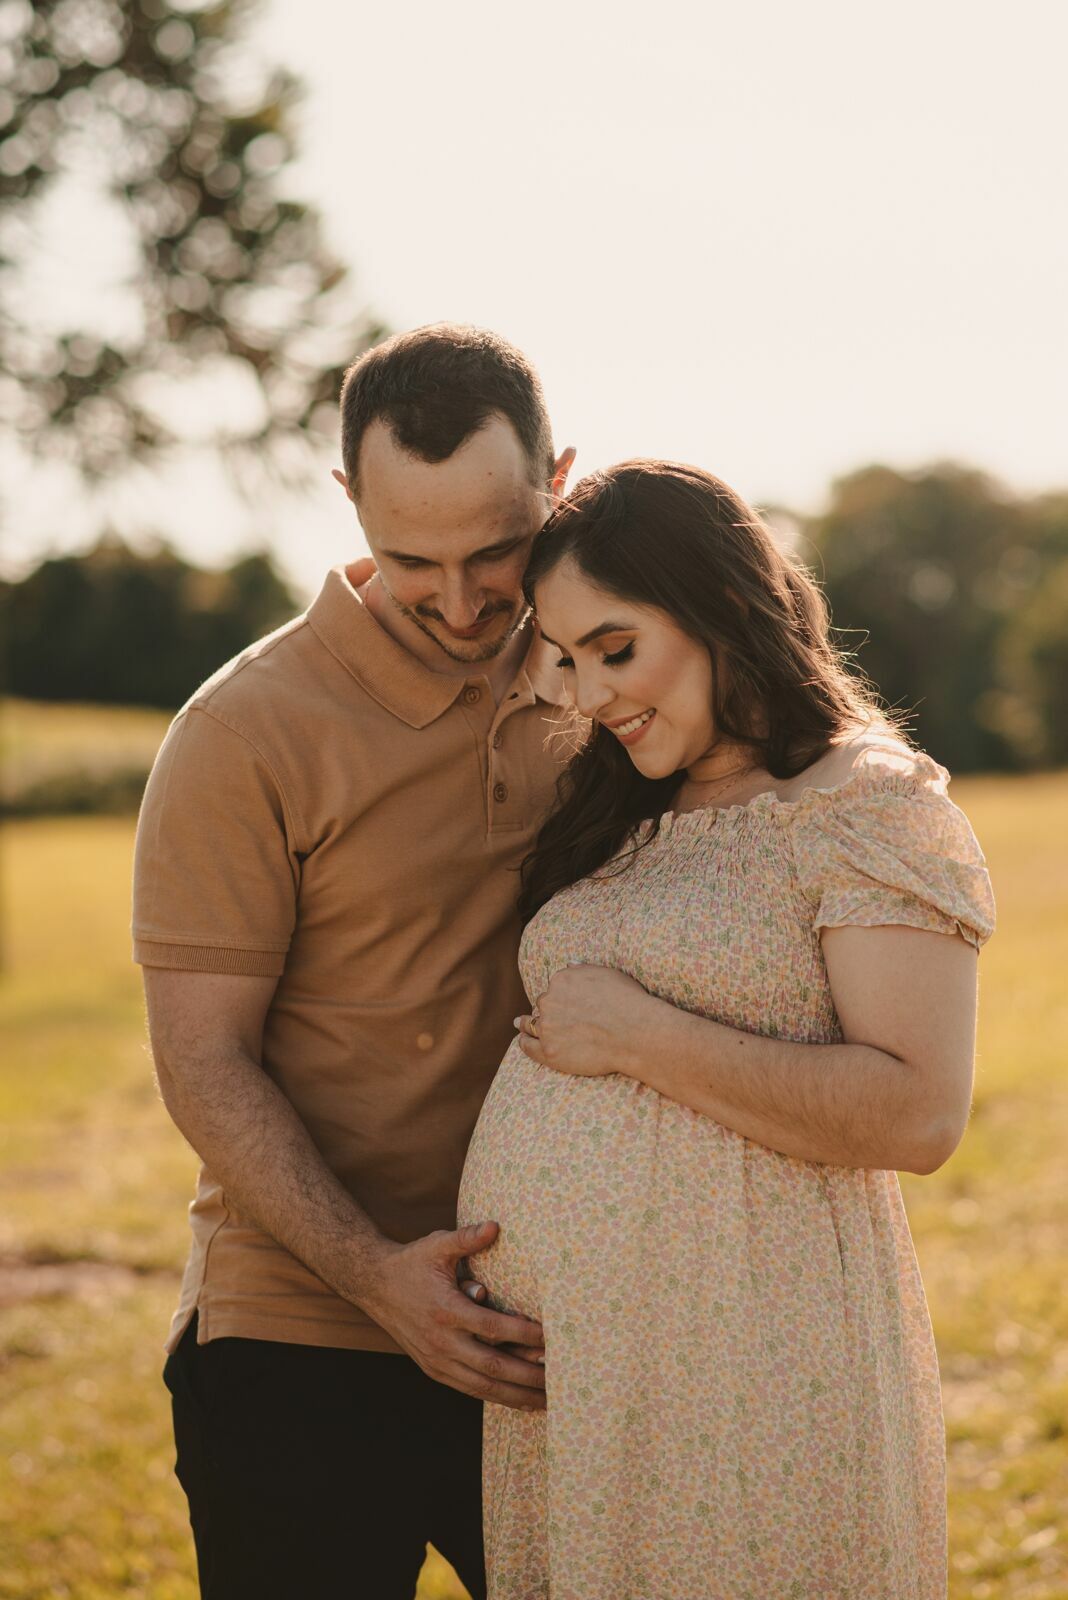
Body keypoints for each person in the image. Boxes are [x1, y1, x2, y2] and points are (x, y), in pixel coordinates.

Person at [458, 460, 996, 1600]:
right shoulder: (628, 804)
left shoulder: (867, 803)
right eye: (566, 657)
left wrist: (640, 1035)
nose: (591, 692)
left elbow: (919, 1109)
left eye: (618, 647)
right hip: (588, 1387)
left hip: (753, 1370)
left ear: (716, 607)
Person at [132, 323, 575, 1600]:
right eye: (410, 558)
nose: (457, 599)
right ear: (348, 505)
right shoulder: (240, 733)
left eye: (497, 550)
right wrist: (383, 1282)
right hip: (300, 1327)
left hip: (545, 1332)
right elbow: (203, 1062)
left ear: (561, 479)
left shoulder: (611, 678)